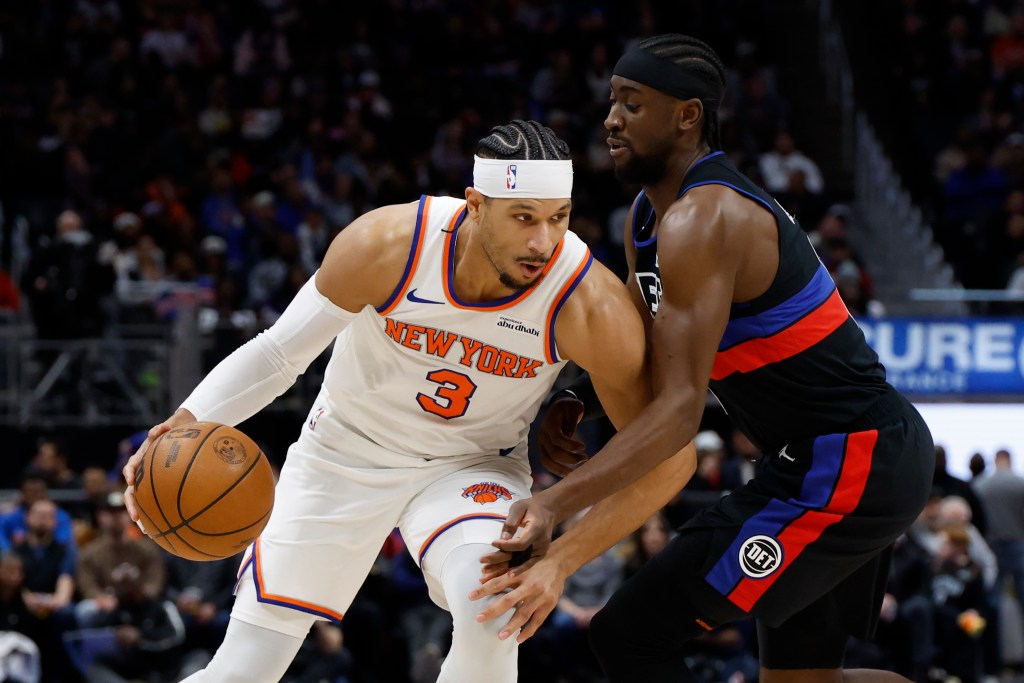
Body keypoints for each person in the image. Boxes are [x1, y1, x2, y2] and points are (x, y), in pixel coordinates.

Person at [121, 120, 693, 683]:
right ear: (475, 205)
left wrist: (563, 559)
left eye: (558, 217)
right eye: (523, 217)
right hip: (346, 449)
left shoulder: (586, 302)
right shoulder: (388, 245)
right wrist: (182, 423)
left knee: (493, 607)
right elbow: (277, 355)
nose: (543, 242)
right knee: (244, 670)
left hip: (471, 466)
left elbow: (670, 457)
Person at [473, 35, 935, 682]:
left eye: (632, 104)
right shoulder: (647, 218)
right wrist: (572, 399)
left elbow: (679, 411)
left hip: (854, 460)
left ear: (687, 115)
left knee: (629, 633)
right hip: (819, 461)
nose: (611, 120)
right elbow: (640, 357)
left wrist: (555, 504)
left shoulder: (706, 217)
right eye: (612, 102)